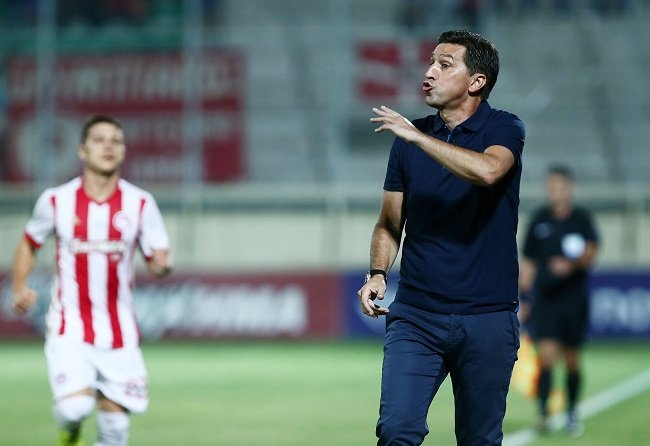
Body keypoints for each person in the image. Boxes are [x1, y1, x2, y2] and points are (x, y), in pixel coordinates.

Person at [357, 29, 525, 446]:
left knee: (479, 439)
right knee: (396, 431)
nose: (429, 71)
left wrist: (418, 137)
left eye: (444, 64)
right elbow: (389, 223)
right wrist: (377, 272)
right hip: (417, 316)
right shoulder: (407, 142)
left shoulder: (504, 127)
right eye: (431, 62)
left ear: (476, 81)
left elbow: (489, 171)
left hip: (487, 317)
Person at [11, 115, 172, 446]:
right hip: (70, 327)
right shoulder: (56, 200)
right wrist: (19, 286)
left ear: (124, 151)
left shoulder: (141, 203)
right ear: (82, 151)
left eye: (116, 141)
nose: (108, 147)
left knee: (116, 431)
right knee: (75, 408)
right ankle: (69, 434)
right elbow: (29, 242)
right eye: (99, 140)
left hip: (119, 332)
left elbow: (158, 258)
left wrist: (161, 266)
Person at [518, 164, 598, 437]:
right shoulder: (539, 220)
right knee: (546, 357)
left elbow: (591, 251)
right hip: (546, 300)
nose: (555, 191)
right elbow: (528, 263)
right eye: (551, 186)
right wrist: (524, 299)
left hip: (574, 300)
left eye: (559, 186)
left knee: (572, 359)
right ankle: (544, 413)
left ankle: (572, 412)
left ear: (569, 188)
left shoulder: (581, 219)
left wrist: (571, 265)